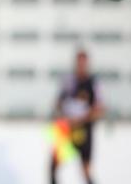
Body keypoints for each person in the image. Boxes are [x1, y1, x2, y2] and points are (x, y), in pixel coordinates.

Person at [50, 49, 104, 184]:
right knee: (54, 165)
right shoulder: (68, 81)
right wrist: (62, 114)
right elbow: (57, 103)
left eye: (83, 63)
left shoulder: (93, 83)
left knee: (85, 170)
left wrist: (82, 119)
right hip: (67, 130)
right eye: (79, 62)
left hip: (84, 131)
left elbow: (100, 109)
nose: (81, 66)